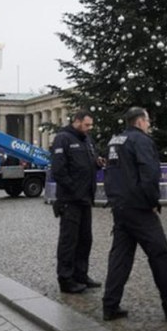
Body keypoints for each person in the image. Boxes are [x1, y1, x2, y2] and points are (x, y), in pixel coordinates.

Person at [102, 107, 167, 321]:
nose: (149, 124)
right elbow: (150, 174)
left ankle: (110, 304)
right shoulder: (141, 141)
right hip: (139, 207)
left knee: (120, 257)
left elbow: (110, 173)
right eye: (148, 121)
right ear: (139, 122)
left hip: (120, 206)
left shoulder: (115, 141)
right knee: (160, 253)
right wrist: (152, 201)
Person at [51, 110, 103, 294]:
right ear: (77, 121)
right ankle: (66, 279)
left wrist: (97, 163)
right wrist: (72, 188)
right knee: (68, 241)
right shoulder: (63, 139)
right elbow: (58, 169)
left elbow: (89, 161)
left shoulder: (86, 140)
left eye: (91, 125)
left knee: (85, 240)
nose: (89, 128)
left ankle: (81, 275)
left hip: (85, 199)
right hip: (70, 200)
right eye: (87, 125)